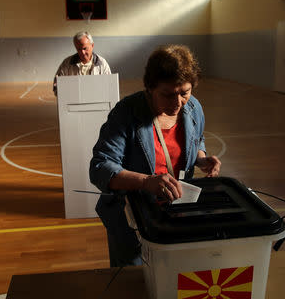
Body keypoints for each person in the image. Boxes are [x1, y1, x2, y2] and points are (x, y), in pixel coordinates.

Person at [89, 44, 221, 267]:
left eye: (184, 93)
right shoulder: (126, 113)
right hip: (132, 218)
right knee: (134, 279)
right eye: (168, 95)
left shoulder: (194, 107)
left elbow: (197, 139)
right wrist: (146, 182)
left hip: (176, 213)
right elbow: (100, 167)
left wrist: (200, 158)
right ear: (149, 88)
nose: (177, 103)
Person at [53, 31, 111, 96]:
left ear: (92, 45)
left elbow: (109, 86)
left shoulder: (102, 63)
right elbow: (56, 88)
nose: (82, 52)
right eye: (78, 49)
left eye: (85, 48)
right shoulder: (67, 64)